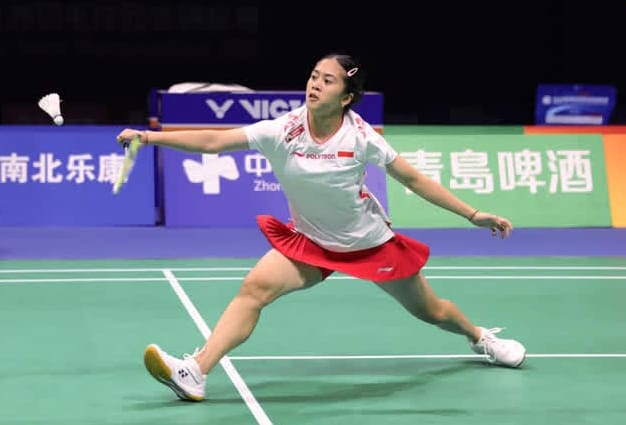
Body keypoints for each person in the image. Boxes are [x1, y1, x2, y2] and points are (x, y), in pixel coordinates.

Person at [116, 53, 526, 402]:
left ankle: (479, 337)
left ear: (346, 97)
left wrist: (473, 214)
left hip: (369, 244)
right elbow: (214, 142)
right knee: (254, 289)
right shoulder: (285, 129)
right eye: (314, 76)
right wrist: (150, 138)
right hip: (311, 242)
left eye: (327, 81)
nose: (315, 84)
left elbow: (414, 179)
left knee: (431, 311)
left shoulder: (361, 137)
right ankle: (195, 371)